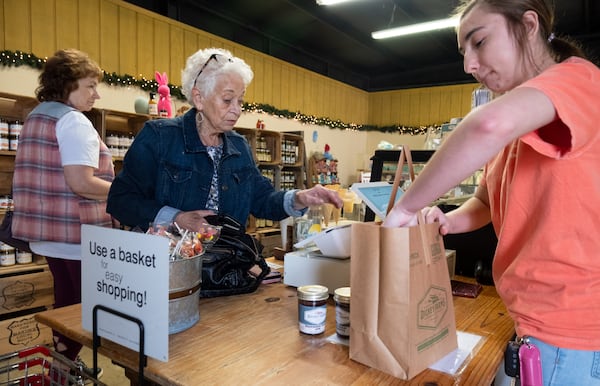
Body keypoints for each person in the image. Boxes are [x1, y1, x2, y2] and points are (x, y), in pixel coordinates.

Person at [383, 0, 600, 384]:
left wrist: (406, 207)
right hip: (532, 318)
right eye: (464, 51)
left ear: (528, 25)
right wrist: (447, 219)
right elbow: (486, 200)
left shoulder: (579, 80)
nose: (469, 64)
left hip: (572, 327)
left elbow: (488, 125)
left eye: (479, 42)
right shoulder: (521, 119)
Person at [107, 47, 341, 235]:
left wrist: (300, 198)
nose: (236, 110)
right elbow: (121, 200)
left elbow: (261, 200)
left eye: (240, 101)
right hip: (170, 268)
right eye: (228, 100)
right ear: (199, 97)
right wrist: (176, 218)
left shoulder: (239, 146)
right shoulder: (159, 137)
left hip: (224, 267)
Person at [12, 49, 113, 375]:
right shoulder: (73, 122)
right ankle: (63, 371)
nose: (96, 94)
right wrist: (124, 192)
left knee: (66, 303)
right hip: (75, 233)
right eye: (90, 86)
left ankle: (60, 367)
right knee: (84, 310)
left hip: (46, 233)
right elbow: (82, 183)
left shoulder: (37, 116)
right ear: (66, 84)